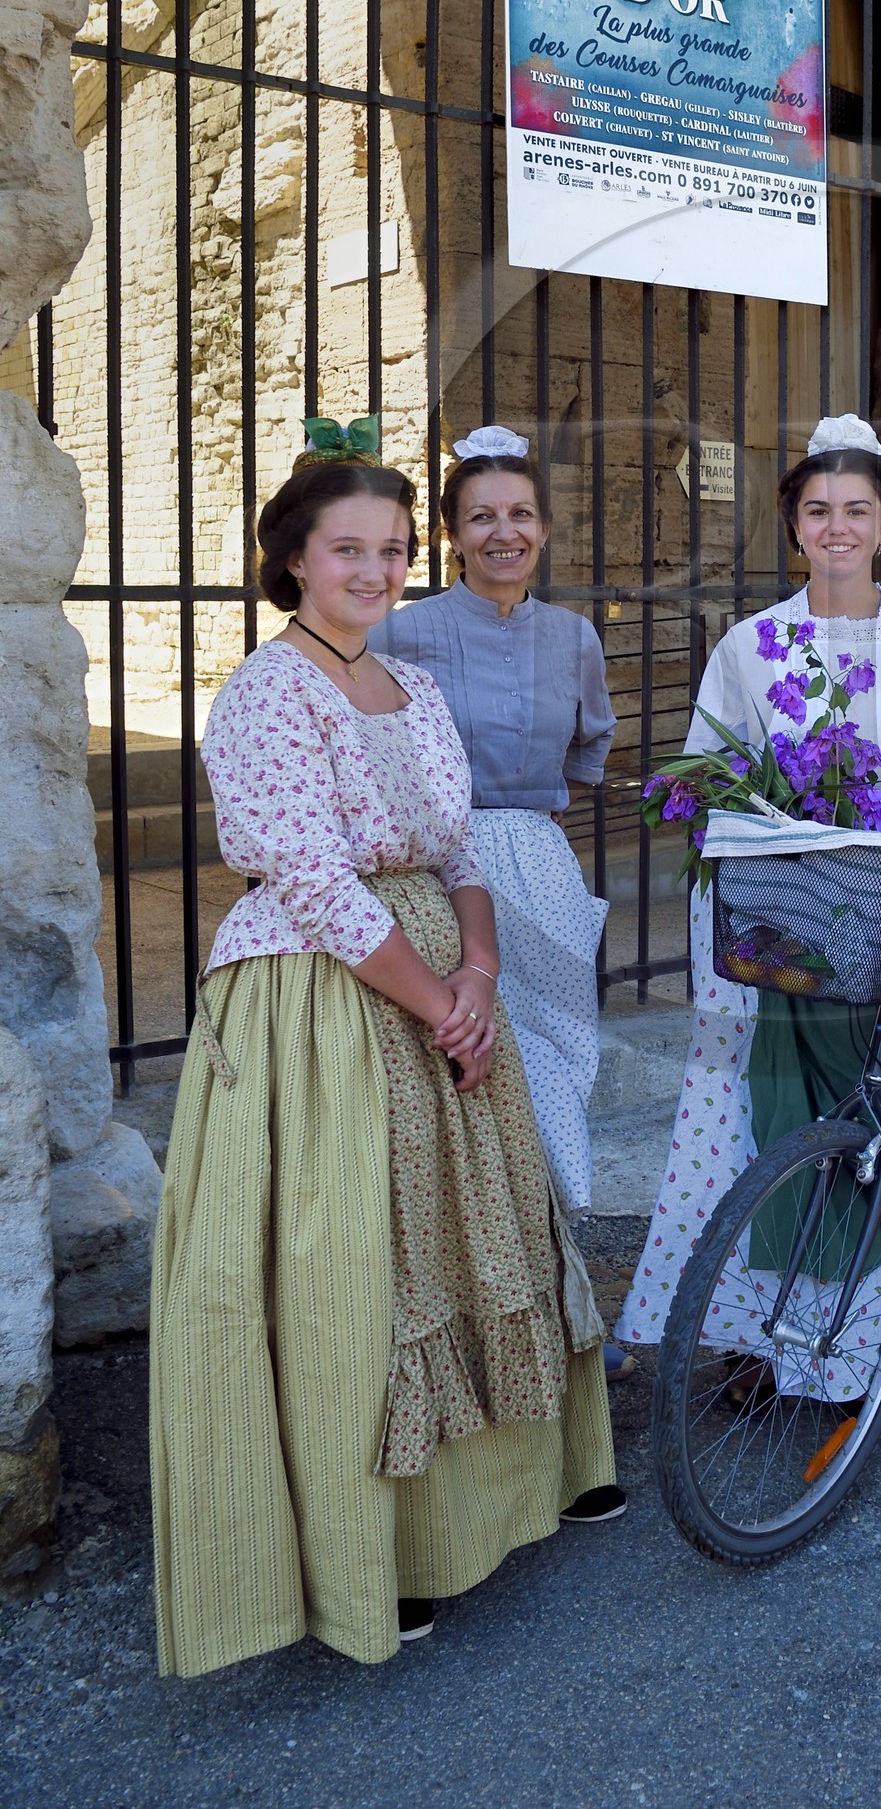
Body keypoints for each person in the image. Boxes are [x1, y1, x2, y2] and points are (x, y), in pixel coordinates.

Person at [149, 429, 619, 1681]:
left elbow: (459, 846)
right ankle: (382, 1550)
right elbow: (311, 878)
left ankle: (508, 1494)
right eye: (348, 549)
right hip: (327, 995)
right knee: (369, 1257)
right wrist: (435, 1001)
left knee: (484, 1231)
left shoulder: (409, 686)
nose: (374, 570)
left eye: (393, 550)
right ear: (294, 561)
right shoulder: (265, 692)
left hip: (439, 978)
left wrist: (480, 977)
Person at [616, 412, 881, 1380]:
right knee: (770, 1124)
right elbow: (710, 773)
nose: (836, 527)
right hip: (785, 926)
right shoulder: (752, 644)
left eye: (856, 509)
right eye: (818, 510)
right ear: (794, 524)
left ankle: (862, 1345)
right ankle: (772, 1342)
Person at [372, 427, 615, 1226]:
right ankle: (481, 1250)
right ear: (452, 533)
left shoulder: (574, 637)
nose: (503, 532)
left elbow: (594, 742)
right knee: (467, 1057)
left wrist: (537, 806)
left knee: (561, 1051)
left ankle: (553, 1246)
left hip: (541, 867)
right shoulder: (400, 632)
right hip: (439, 873)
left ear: (544, 527)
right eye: (481, 516)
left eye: (520, 514)